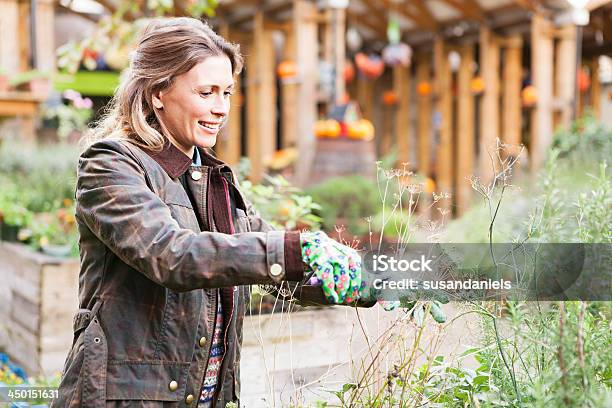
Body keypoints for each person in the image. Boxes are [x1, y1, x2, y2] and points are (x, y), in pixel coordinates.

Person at [52, 17, 368, 408]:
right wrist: (293, 250)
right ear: (157, 93)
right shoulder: (111, 164)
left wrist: (380, 280)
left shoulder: (212, 179)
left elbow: (273, 269)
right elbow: (171, 254)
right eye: (206, 93)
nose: (220, 108)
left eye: (227, 93)